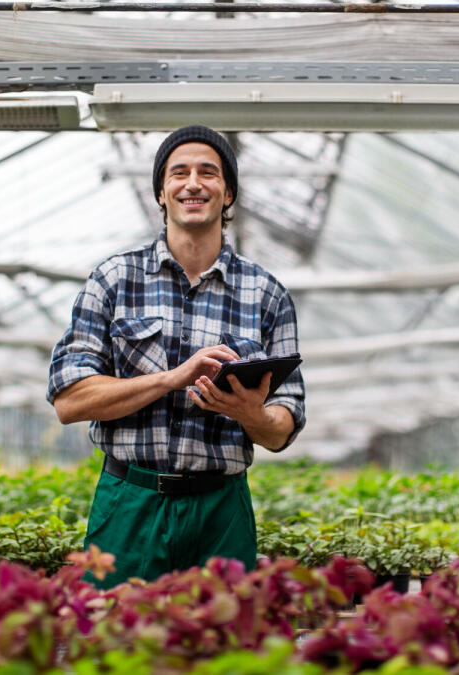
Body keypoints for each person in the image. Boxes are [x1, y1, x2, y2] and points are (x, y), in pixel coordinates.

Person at [46, 125, 306, 588]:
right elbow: (70, 400)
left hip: (221, 509)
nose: (193, 183)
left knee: (224, 650)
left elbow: (284, 426)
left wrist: (252, 415)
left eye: (209, 173)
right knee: (117, 647)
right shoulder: (114, 279)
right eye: (178, 172)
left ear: (228, 194)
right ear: (161, 193)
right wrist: (172, 378)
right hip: (130, 501)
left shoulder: (267, 294)